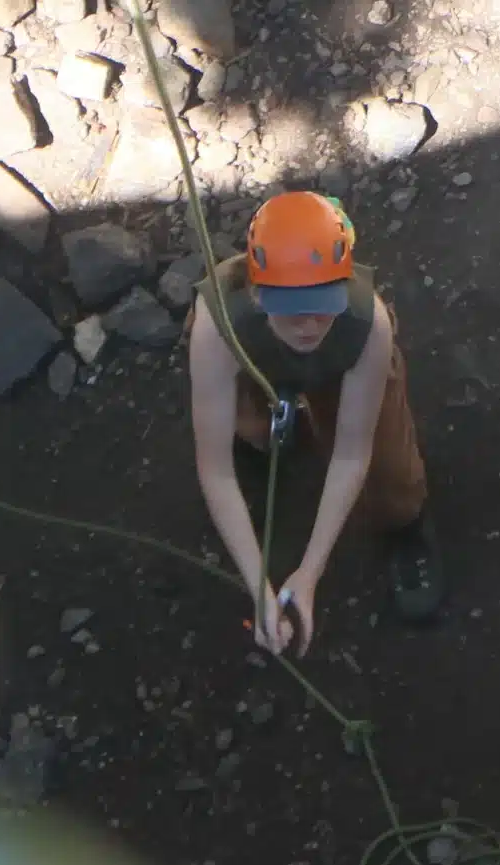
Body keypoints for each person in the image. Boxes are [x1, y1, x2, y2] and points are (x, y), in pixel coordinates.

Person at [187, 189, 443, 656]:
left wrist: (310, 572)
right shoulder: (218, 327)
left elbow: (352, 453)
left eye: (325, 301)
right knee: (249, 431)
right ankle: (268, 436)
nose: (309, 324)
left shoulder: (366, 324)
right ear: (260, 296)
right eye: (292, 308)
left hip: (336, 366)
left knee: (391, 475)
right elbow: (215, 469)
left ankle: (403, 528)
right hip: (255, 358)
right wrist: (258, 586)